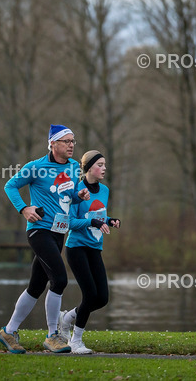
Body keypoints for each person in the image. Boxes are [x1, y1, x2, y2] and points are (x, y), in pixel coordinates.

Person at [0, 124, 90, 354]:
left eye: (73, 141)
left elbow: (67, 198)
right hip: (39, 231)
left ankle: (9, 331)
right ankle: (52, 335)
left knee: (35, 286)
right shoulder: (36, 167)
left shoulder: (73, 167)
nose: (71, 145)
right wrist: (24, 208)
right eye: (66, 141)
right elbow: (10, 186)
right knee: (59, 279)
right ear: (53, 144)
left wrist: (79, 196)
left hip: (59, 232)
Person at [57, 150, 120, 354]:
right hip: (76, 248)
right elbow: (70, 222)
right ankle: (75, 341)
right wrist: (92, 222)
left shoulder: (104, 190)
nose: (104, 168)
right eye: (100, 165)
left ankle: (66, 318)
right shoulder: (76, 189)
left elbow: (98, 213)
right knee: (90, 294)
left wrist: (109, 220)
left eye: (105, 165)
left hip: (95, 248)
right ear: (88, 168)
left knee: (101, 298)